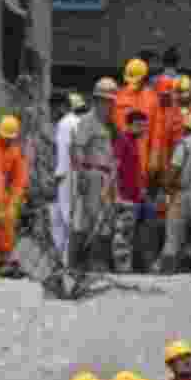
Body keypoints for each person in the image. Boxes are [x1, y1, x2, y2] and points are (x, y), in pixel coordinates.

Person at [70, 78, 125, 271]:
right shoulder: (88, 121)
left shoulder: (110, 125)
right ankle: (82, 264)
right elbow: (77, 149)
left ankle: (96, 262)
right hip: (92, 174)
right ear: (98, 100)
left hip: (108, 177)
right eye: (106, 100)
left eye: (112, 101)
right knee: (92, 220)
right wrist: (82, 175)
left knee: (105, 222)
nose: (110, 105)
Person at [155, 112, 191, 273]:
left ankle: (167, 273)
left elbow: (174, 169)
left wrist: (166, 188)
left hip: (183, 195)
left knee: (172, 239)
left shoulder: (184, 144)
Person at [51, 92, 86, 265]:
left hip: (68, 176)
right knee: (64, 220)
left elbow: (65, 155)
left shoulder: (65, 124)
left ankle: (66, 263)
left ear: (61, 107)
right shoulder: (79, 122)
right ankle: (65, 261)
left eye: (53, 109)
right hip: (79, 175)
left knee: (66, 220)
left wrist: (57, 179)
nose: (51, 114)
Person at [112, 110, 148, 272]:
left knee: (127, 235)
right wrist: (116, 194)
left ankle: (125, 268)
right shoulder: (122, 140)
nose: (143, 130)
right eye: (139, 126)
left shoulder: (132, 142)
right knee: (122, 236)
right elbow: (115, 166)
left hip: (132, 198)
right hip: (124, 198)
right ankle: (122, 270)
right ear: (130, 125)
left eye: (144, 126)